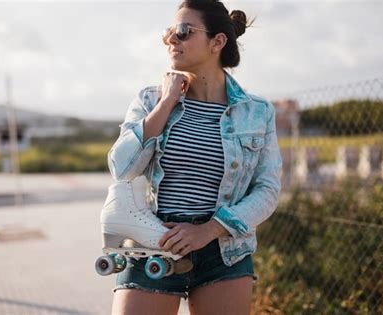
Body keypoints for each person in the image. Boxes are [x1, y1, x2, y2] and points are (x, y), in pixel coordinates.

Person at [107, 0, 282, 314]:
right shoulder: (150, 99)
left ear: (217, 42)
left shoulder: (256, 113)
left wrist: (209, 230)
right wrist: (166, 103)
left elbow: (267, 190)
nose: (172, 40)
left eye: (184, 32)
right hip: (154, 244)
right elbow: (121, 168)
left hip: (224, 251)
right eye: (169, 33)